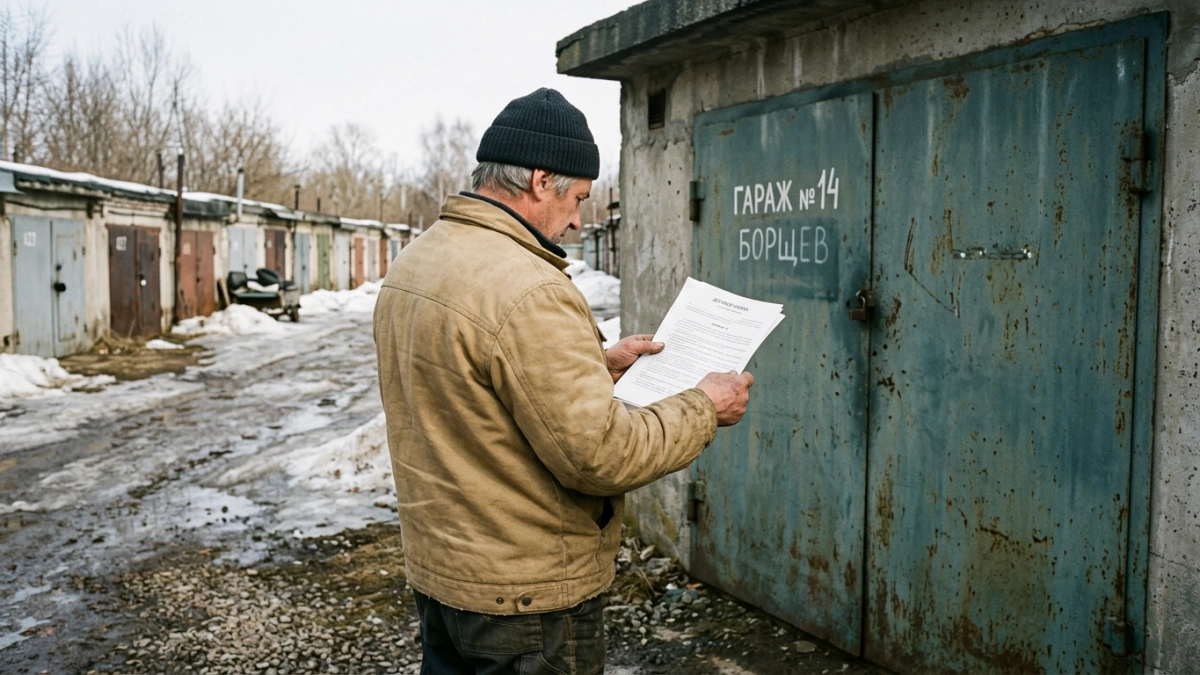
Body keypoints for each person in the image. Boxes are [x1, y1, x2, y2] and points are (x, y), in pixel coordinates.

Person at [373, 88, 754, 675]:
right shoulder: (529, 288)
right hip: (526, 600)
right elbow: (600, 456)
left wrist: (592, 363)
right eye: (578, 198)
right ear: (540, 180)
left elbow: (469, 386)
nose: (579, 220)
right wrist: (704, 406)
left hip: (445, 578)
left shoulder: (416, 263)